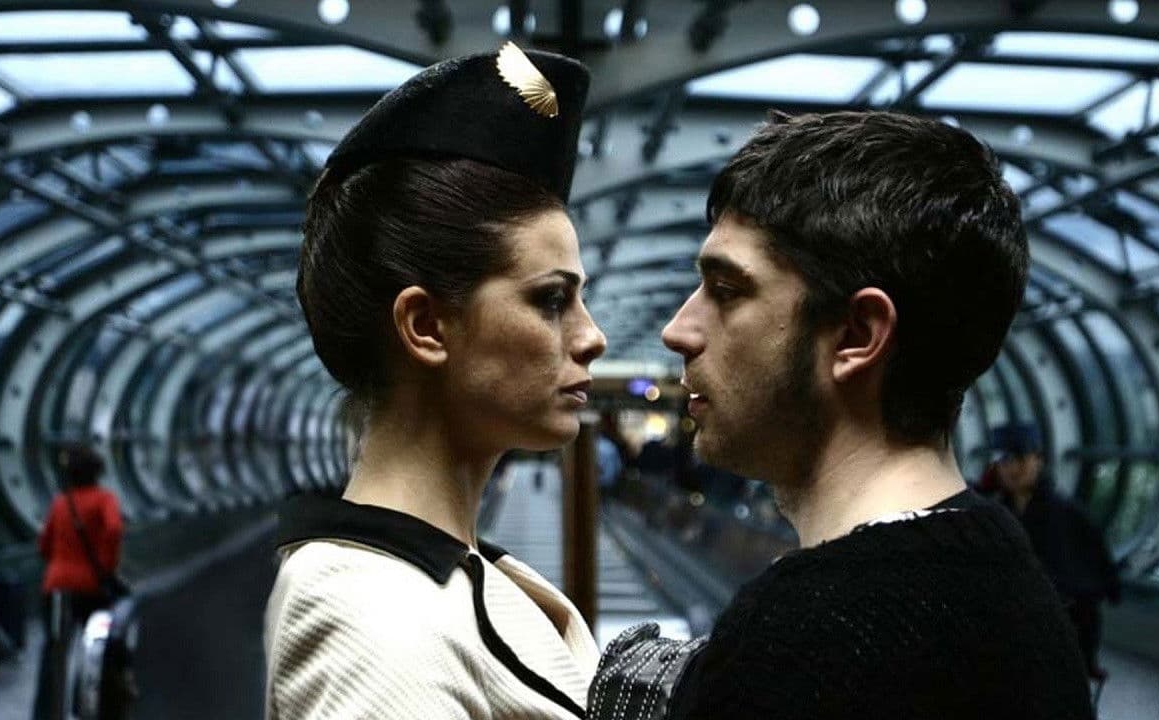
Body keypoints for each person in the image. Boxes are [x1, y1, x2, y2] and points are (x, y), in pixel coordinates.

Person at [587, 111, 1093, 720]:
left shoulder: (806, 641)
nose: (678, 330)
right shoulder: (1011, 582)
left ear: (857, 335)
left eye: (726, 290)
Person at [264, 42, 606, 720]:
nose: (592, 336)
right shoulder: (374, 627)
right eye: (550, 300)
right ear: (425, 327)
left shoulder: (456, 573)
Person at [991, 422, 1121, 678]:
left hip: (1056, 638)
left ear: (1038, 459)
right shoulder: (994, 516)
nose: (1012, 468)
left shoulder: (1068, 515)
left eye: (1020, 458)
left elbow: (1085, 588)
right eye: (1004, 460)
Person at [34, 444, 123, 719]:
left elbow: (44, 545)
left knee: (54, 651)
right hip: (91, 587)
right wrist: (106, 564)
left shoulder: (62, 503)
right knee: (97, 648)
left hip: (57, 586)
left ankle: (47, 712)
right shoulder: (104, 499)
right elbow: (114, 528)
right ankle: (89, 707)